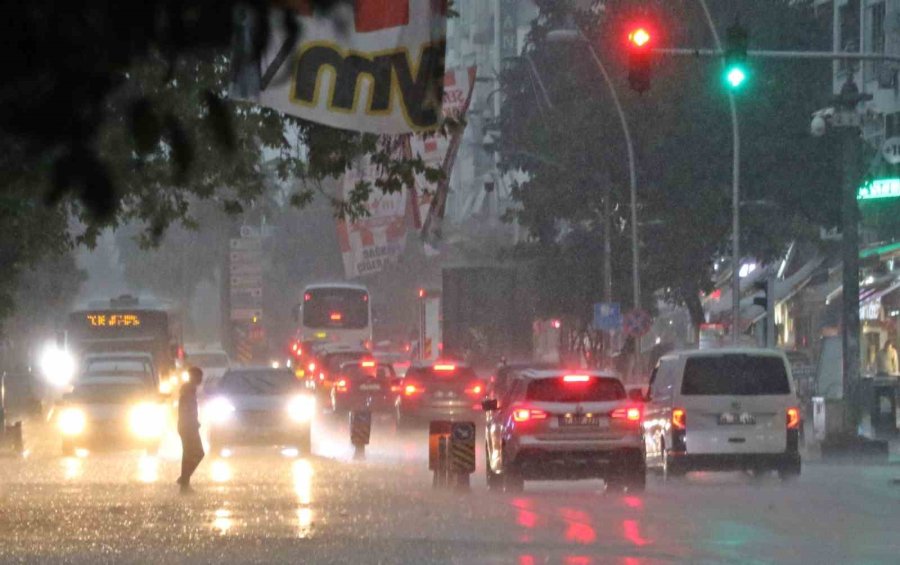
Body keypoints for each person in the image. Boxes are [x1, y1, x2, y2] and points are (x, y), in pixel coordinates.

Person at [176, 366, 204, 492]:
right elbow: (186, 410)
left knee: (188, 454)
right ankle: (184, 480)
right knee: (197, 453)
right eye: (199, 377)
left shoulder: (189, 390)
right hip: (188, 427)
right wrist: (192, 422)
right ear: (194, 377)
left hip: (188, 425)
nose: (201, 380)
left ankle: (185, 482)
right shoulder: (187, 391)